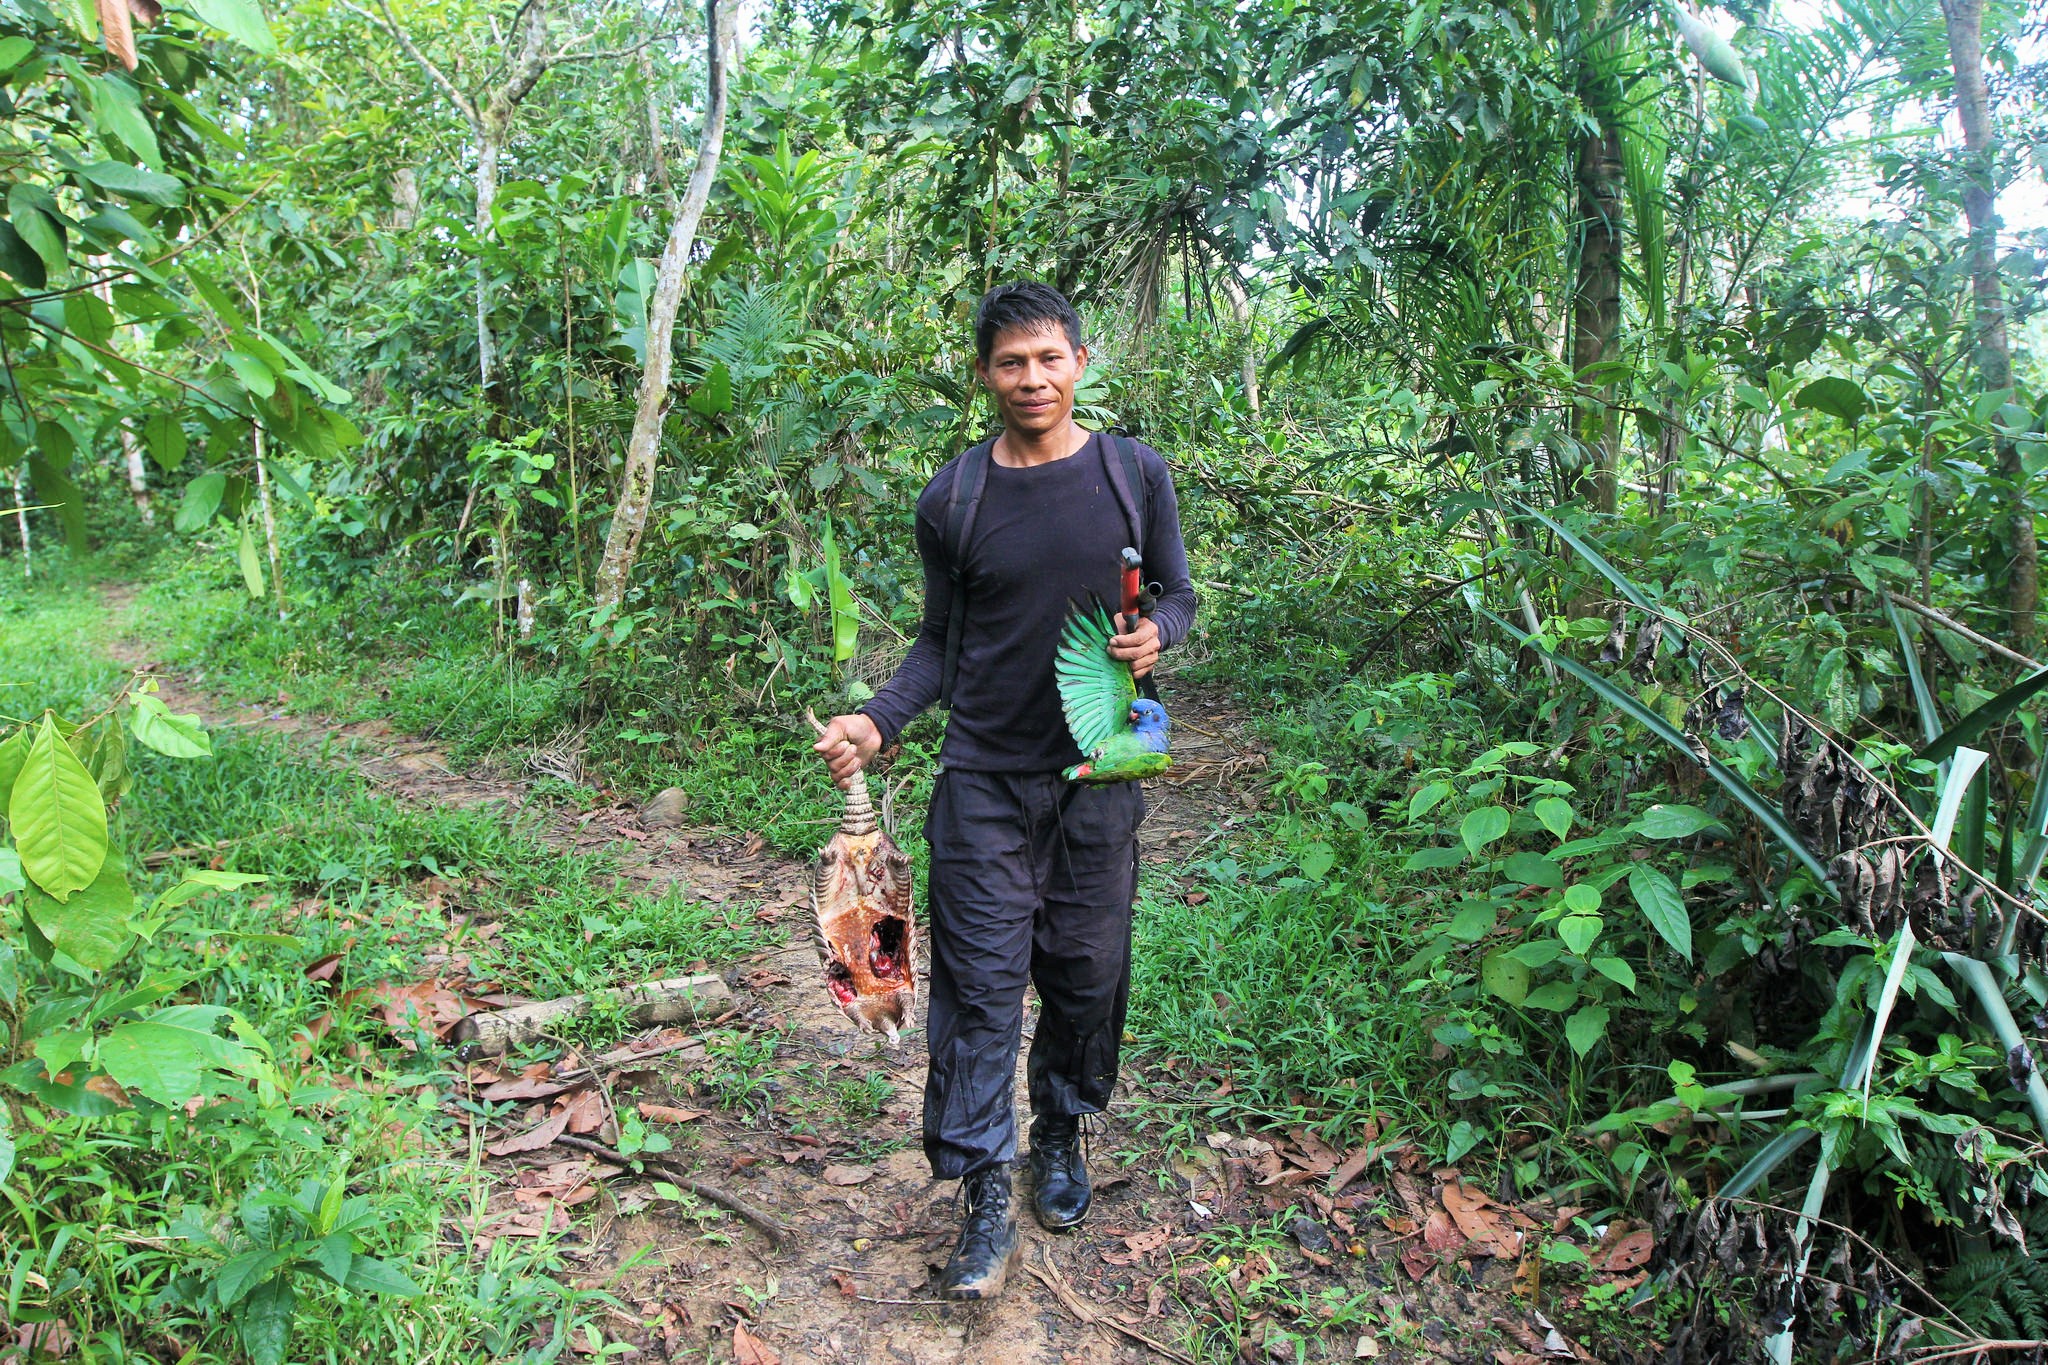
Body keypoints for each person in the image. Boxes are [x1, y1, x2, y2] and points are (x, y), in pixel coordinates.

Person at [812, 281, 1197, 1299]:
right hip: (981, 783)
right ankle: (983, 1183)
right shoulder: (954, 498)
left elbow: (1179, 592)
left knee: (1084, 973)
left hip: (1098, 779)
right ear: (984, 374)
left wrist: (1162, 633)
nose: (1032, 379)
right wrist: (878, 721)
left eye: (1048, 359)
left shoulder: (1132, 474)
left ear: (1080, 360)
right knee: (978, 994)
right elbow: (940, 643)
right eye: (1009, 363)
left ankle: (1058, 1135)